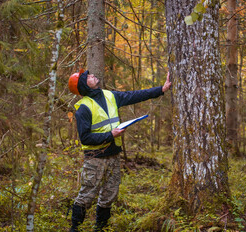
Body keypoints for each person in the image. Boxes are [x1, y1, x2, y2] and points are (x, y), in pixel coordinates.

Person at [68, 70, 171, 232]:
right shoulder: (83, 109)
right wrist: (111, 135)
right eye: (87, 77)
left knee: (109, 195)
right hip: (95, 158)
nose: (92, 75)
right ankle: (74, 228)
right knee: (87, 195)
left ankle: (100, 228)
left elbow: (134, 96)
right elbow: (85, 138)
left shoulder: (110, 96)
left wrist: (161, 89)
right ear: (84, 85)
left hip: (113, 155)